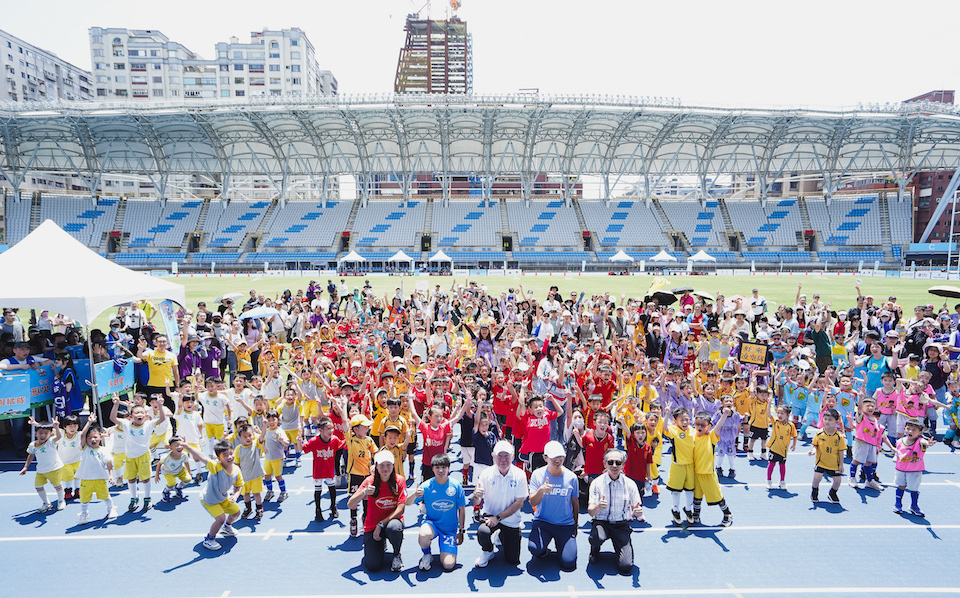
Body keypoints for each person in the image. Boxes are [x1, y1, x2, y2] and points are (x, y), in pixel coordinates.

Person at [407, 453, 468, 572]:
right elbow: (407, 503)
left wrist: (461, 530)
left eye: (444, 467)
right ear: (433, 469)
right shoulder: (426, 486)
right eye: (437, 467)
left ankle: (445, 548)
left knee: (448, 565)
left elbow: (462, 509)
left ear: (449, 468)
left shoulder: (456, 486)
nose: (441, 470)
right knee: (424, 535)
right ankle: (427, 554)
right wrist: (415, 494)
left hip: (449, 530)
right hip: (432, 523)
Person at [472, 439, 528, 568]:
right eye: (500, 455)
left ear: (513, 456)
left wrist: (498, 518)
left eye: (507, 455)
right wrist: (476, 496)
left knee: (513, 560)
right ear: (493, 457)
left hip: (509, 520)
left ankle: (500, 535)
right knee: (483, 532)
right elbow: (476, 501)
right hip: (490, 516)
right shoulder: (486, 474)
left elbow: (519, 503)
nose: (503, 459)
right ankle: (488, 550)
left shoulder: (520, 475)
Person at [348, 450, 407, 572]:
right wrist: (364, 492)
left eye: (388, 465)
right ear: (376, 466)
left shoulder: (399, 480)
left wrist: (381, 525)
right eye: (382, 465)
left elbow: (401, 509)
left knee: (394, 528)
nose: (385, 468)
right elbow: (350, 504)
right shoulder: (370, 481)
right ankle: (380, 545)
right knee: (373, 566)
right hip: (372, 526)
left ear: (394, 464)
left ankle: (396, 554)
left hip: (390, 522)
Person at [586, 448, 643, 575]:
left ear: (623, 465)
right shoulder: (596, 483)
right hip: (601, 522)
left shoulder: (630, 484)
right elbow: (591, 512)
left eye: (618, 462)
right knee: (596, 537)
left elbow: (636, 508)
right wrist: (598, 506)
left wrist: (637, 512)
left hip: (620, 524)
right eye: (610, 462)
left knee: (626, 566)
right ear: (604, 464)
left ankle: (623, 546)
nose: (614, 466)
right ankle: (594, 550)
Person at [110, 393, 168, 512]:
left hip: (144, 455)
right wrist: (116, 404)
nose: (139, 415)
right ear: (131, 416)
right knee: (131, 479)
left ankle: (147, 498)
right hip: (130, 456)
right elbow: (113, 418)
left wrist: (161, 406)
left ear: (146, 415)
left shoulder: (148, 424)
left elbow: (162, 419)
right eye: (136, 413)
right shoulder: (126, 424)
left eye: (141, 413)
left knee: (145, 478)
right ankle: (134, 498)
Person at [528, 440, 579, 572]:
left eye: (561, 457)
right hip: (543, 523)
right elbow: (532, 502)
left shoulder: (572, 477)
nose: (558, 460)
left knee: (569, 564)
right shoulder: (537, 475)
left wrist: (575, 525)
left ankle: (563, 547)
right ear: (545, 458)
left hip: (565, 525)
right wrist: (541, 491)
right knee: (535, 549)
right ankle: (547, 548)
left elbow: (575, 503)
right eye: (554, 457)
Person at [184, 441, 244, 551]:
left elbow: (239, 485)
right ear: (219, 458)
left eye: (231, 453)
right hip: (209, 500)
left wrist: (235, 495)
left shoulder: (236, 469)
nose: (229, 457)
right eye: (225, 455)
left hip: (222, 497)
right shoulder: (215, 466)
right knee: (220, 519)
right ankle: (209, 539)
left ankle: (227, 527)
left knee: (236, 512)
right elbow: (201, 456)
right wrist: (187, 446)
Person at [302, 416, 345, 522]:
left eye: (332, 428)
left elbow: (343, 443)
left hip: (330, 470)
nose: (331, 431)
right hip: (318, 471)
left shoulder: (334, 440)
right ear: (320, 430)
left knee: (332, 488)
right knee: (318, 490)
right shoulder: (314, 441)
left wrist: (351, 436)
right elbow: (302, 449)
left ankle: (333, 506)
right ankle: (318, 509)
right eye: (328, 429)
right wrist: (299, 441)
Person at [76, 414, 116, 523]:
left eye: (95, 437)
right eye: (90, 438)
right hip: (86, 478)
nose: (92, 439)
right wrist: (89, 422)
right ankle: (84, 514)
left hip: (100, 478)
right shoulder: (85, 448)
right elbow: (82, 435)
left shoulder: (104, 450)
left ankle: (111, 508)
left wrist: (111, 475)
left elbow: (108, 463)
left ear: (100, 437)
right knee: (84, 499)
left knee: (105, 495)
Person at [19, 417, 65, 512]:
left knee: (57, 486)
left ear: (50, 434)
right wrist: (25, 467)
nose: (43, 435)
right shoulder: (32, 445)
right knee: (38, 486)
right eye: (40, 433)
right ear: (35, 434)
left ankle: (61, 500)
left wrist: (56, 427)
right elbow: (31, 455)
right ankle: (46, 503)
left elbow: (59, 437)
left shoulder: (51, 442)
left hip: (54, 469)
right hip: (41, 470)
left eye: (46, 433)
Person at [893, 418, 936, 516]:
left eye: (914, 430)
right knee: (901, 486)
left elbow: (924, 443)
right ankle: (898, 504)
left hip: (914, 470)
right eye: (908, 429)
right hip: (901, 468)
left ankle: (914, 505)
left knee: (914, 488)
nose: (910, 431)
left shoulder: (920, 441)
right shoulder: (900, 441)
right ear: (904, 429)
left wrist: (929, 443)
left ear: (920, 432)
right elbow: (898, 451)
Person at [809, 408, 846, 505]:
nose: (827, 421)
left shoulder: (839, 436)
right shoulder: (819, 433)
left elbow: (841, 451)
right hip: (821, 462)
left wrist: (841, 465)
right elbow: (815, 444)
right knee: (817, 478)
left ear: (836, 422)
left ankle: (832, 492)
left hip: (834, 463)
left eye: (830, 420)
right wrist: (813, 451)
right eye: (825, 419)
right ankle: (814, 492)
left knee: (838, 481)